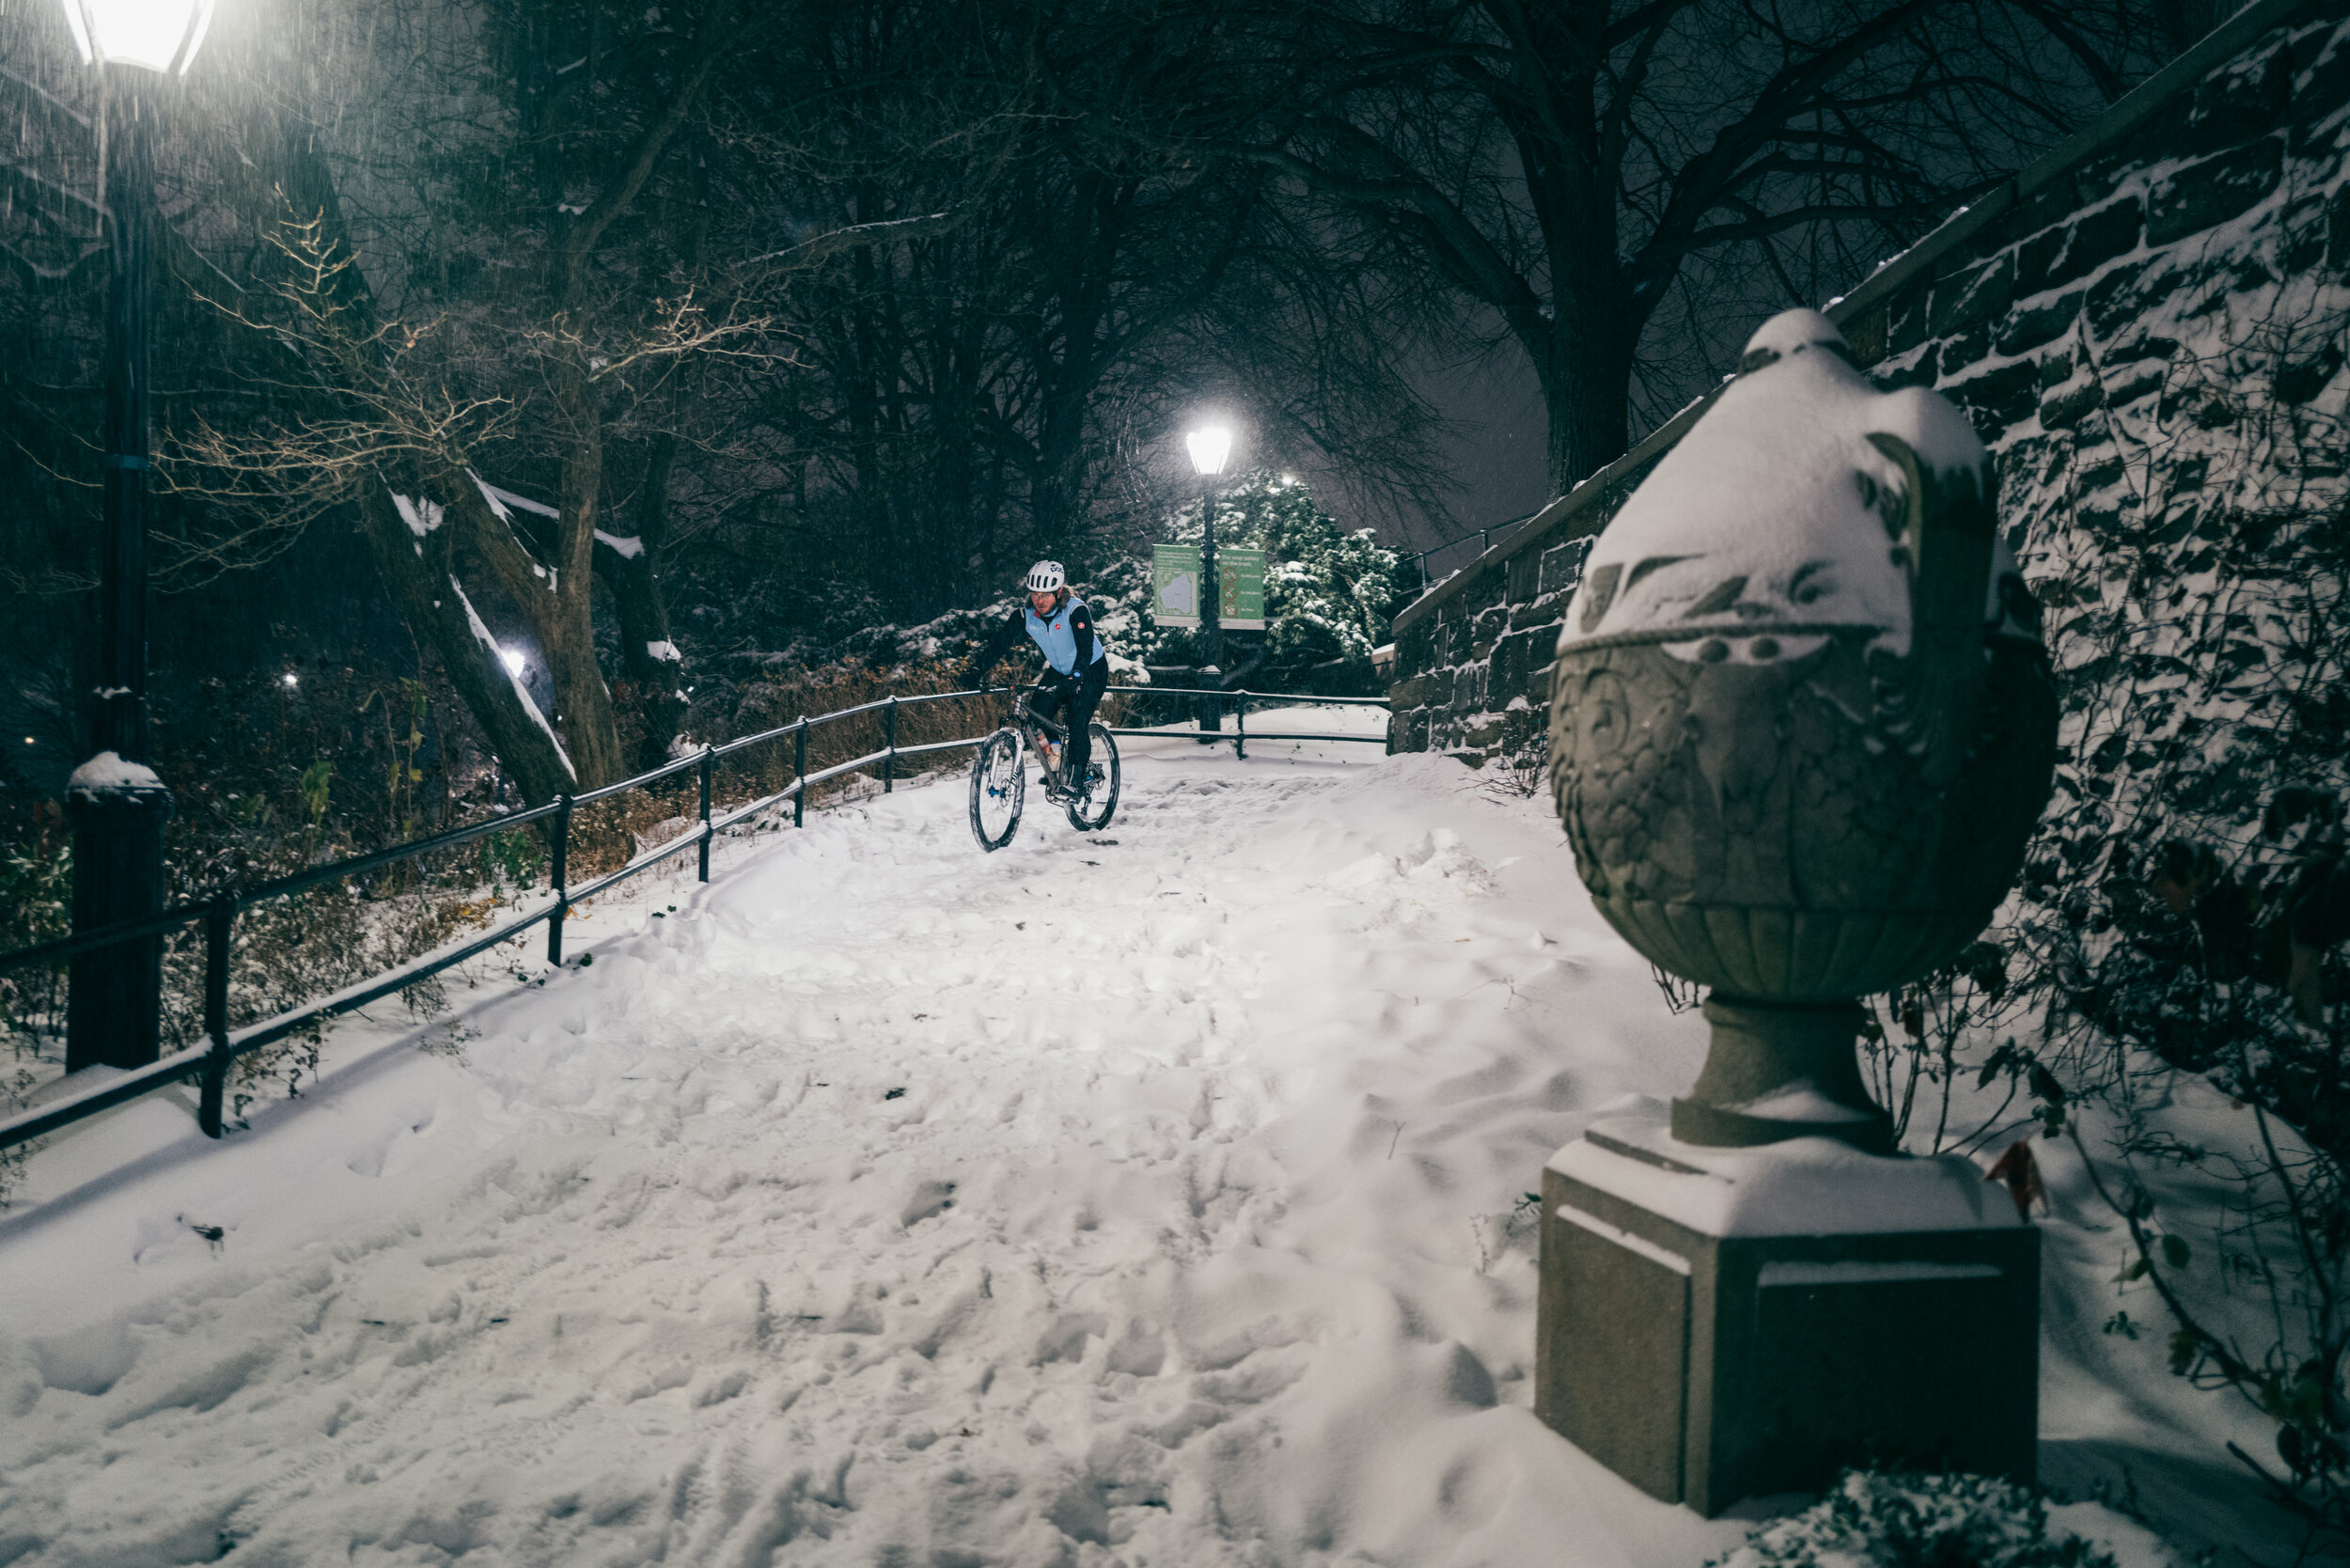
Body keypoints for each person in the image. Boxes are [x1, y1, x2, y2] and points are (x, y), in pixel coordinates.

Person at [963, 561, 1110, 801]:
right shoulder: (1026, 616)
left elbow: (1084, 650)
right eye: (1034, 594)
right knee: (1036, 718)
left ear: (1059, 592)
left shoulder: (1076, 610)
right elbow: (999, 644)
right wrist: (977, 669)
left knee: (1077, 716)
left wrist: (1077, 676)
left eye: (1045, 595)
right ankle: (1057, 757)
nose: (1039, 600)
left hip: (1091, 669)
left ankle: (1077, 778)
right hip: (1059, 670)